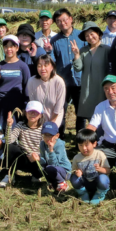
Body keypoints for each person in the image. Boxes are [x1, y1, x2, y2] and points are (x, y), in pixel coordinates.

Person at [44, 8, 87, 136]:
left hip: (80, 81)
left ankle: (80, 138)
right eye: (59, 21)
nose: (63, 23)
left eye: (64, 20)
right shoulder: (55, 40)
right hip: (63, 81)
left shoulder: (82, 36)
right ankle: (60, 137)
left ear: (71, 19)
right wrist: (48, 51)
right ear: (56, 24)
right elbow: (52, 62)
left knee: (81, 113)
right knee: (60, 110)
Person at [72, 21, 110, 129]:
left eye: (92, 33)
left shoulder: (106, 49)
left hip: (101, 88)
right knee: (89, 115)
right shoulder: (83, 50)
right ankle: (90, 139)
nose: (90, 37)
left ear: (98, 34)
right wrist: (76, 55)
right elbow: (78, 67)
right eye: (86, 35)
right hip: (87, 89)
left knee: (103, 116)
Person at [0, 101, 45, 188]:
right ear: (25, 113)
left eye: (36, 112)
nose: (32, 114)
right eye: (30, 112)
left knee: (42, 167)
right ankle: (10, 175)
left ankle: (36, 176)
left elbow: (45, 148)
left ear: (41, 115)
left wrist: (37, 157)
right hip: (23, 157)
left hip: (36, 160)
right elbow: (9, 141)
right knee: (10, 147)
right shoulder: (20, 125)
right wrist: (9, 126)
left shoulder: (43, 129)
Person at [86, 75, 116, 168]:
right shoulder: (101, 106)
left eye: (113, 88)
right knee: (91, 163)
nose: (110, 92)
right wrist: (84, 138)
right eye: (106, 89)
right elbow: (92, 126)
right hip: (107, 146)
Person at [0, 35, 30, 126]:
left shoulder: (23, 66)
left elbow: (27, 87)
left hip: (16, 103)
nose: (9, 49)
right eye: (6, 46)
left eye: (12, 46)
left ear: (17, 48)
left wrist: (25, 105)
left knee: (12, 132)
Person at [71, 128, 111, 204]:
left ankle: (100, 194)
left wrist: (100, 169)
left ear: (94, 144)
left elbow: (108, 170)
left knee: (103, 179)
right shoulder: (77, 158)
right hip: (85, 182)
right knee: (74, 179)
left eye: (86, 145)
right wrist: (77, 172)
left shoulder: (99, 154)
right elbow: (73, 171)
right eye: (80, 145)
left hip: (97, 182)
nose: (84, 148)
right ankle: (83, 193)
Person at [26, 55, 66, 128]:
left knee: (49, 133)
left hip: (55, 115)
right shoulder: (31, 81)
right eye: (39, 66)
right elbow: (33, 104)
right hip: (38, 116)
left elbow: (58, 107)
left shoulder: (59, 82)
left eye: (46, 65)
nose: (42, 68)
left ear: (52, 67)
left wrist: (51, 124)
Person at [37, 122, 72, 191]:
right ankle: (54, 183)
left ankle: (62, 182)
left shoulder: (60, 145)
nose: (47, 138)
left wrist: (51, 150)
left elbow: (54, 164)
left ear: (57, 136)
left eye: (50, 135)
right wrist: (39, 158)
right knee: (42, 169)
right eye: (45, 135)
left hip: (64, 170)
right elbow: (43, 159)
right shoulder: (42, 144)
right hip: (51, 167)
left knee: (50, 168)